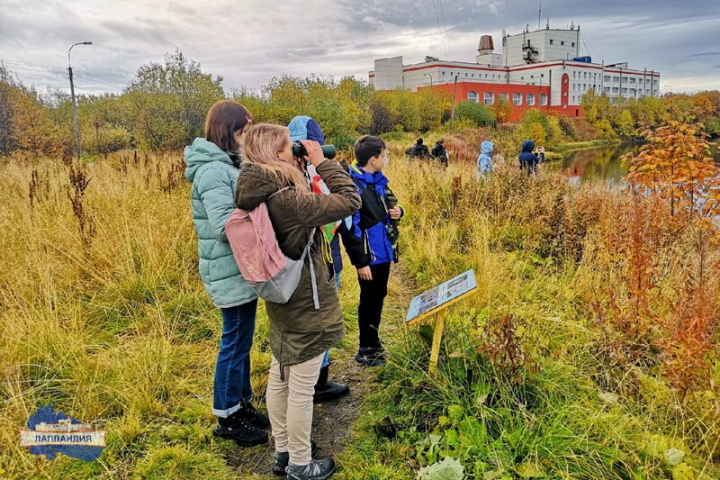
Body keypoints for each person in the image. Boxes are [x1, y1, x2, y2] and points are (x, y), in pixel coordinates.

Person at [235, 124, 361, 480]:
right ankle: (301, 464)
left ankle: (283, 452)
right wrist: (323, 164)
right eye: (290, 148)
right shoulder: (288, 200)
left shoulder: (258, 189)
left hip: (281, 297)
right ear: (276, 155)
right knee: (301, 386)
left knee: (280, 375)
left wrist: (303, 169)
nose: (296, 152)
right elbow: (351, 201)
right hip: (306, 300)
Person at [183, 100, 270, 447]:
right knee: (234, 342)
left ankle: (241, 403)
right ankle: (227, 415)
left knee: (243, 342)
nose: (247, 137)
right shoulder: (213, 171)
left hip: (238, 267)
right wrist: (260, 210)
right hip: (227, 268)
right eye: (244, 131)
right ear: (229, 131)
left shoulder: (228, 165)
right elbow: (222, 225)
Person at [287, 115, 351, 404]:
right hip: (318, 259)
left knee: (308, 322)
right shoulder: (314, 176)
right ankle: (313, 384)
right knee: (320, 321)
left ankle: (314, 378)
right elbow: (348, 204)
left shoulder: (279, 174)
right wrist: (325, 167)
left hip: (303, 261)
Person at [345, 136, 405, 367]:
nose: (387, 158)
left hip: (383, 252)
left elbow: (389, 207)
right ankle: (366, 347)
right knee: (369, 299)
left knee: (378, 296)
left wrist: (399, 212)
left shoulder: (377, 181)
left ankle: (374, 340)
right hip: (370, 257)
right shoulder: (354, 185)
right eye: (385, 155)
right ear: (373, 159)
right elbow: (351, 228)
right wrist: (361, 262)